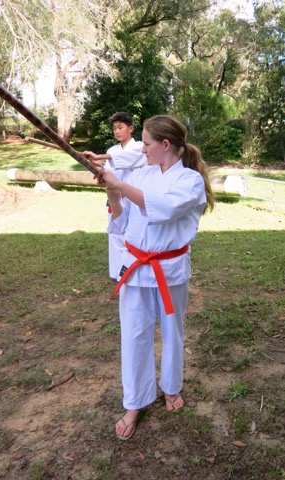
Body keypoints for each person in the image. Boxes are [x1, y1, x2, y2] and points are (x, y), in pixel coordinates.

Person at [96, 114, 214, 441]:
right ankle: (135, 402)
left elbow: (162, 208)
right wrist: (113, 193)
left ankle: (171, 386)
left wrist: (119, 184)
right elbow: (123, 221)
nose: (143, 150)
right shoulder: (143, 175)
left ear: (165, 144)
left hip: (169, 270)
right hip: (136, 267)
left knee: (172, 333)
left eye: (146, 144)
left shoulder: (189, 181)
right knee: (134, 334)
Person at [83, 112, 147, 280]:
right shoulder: (112, 150)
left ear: (131, 128)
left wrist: (99, 156)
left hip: (134, 199)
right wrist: (99, 167)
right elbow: (110, 173)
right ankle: (118, 273)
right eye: (114, 128)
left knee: (132, 235)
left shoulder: (139, 147)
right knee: (116, 234)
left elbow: (126, 158)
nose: (117, 131)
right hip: (116, 199)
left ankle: (132, 272)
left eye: (120, 127)